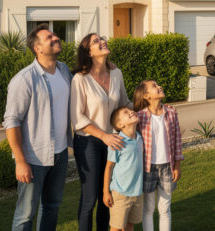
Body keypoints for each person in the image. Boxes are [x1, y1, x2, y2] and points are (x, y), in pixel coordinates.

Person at [3, 24, 72, 231]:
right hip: (34, 159)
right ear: (38, 48)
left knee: (52, 206)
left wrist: (107, 65)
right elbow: (12, 121)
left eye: (54, 35)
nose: (55, 38)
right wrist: (20, 161)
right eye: (49, 37)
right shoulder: (24, 79)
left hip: (60, 154)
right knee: (25, 214)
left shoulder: (64, 70)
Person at [71, 33, 131, 231]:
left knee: (107, 196)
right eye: (96, 41)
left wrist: (148, 106)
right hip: (88, 142)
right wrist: (104, 136)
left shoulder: (116, 73)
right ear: (88, 52)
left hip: (113, 142)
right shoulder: (80, 79)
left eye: (102, 38)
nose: (102, 42)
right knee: (89, 199)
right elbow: (77, 118)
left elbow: (124, 104)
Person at [134, 80, 183, 231]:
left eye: (158, 85)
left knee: (165, 208)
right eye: (154, 86)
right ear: (146, 96)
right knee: (148, 208)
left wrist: (177, 165)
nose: (159, 86)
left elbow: (177, 140)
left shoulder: (171, 113)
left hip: (168, 167)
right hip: (148, 168)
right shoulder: (140, 117)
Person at [103, 107, 144, 231]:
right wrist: (106, 192)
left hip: (137, 192)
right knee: (116, 227)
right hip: (120, 193)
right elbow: (109, 167)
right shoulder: (117, 142)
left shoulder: (139, 138)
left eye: (130, 110)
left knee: (130, 225)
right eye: (126, 112)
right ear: (120, 125)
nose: (131, 112)